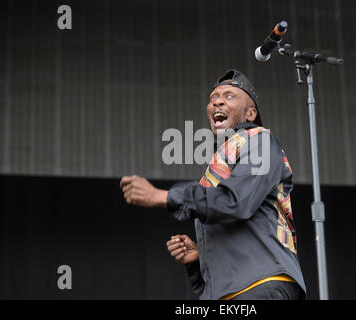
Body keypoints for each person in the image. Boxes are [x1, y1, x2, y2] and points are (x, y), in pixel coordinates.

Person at [120, 69, 306, 300]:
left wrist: (164, 196)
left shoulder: (260, 140)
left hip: (261, 283)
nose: (217, 100)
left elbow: (237, 202)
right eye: (213, 98)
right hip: (233, 291)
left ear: (250, 113)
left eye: (229, 96)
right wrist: (199, 260)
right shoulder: (221, 163)